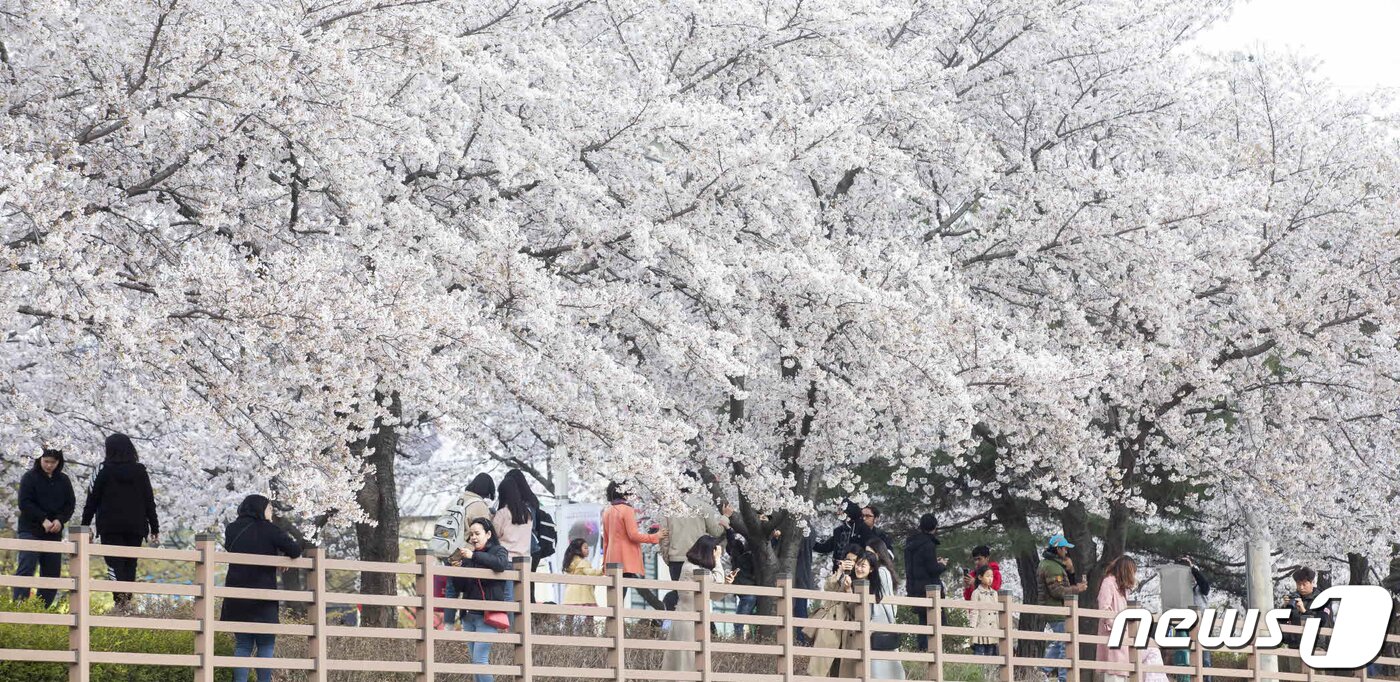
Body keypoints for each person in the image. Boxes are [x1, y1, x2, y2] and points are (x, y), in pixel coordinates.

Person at [220, 495, 302, 682]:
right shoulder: (269, 529)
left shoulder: (232, 529)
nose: (271, 512)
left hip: (237, 594)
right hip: (263, 596)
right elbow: (295, 550)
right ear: (260, 508)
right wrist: (281, 557)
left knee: (242, 644)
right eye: (269, 508)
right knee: (266, 644)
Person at [80, 433, 159, 609]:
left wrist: (85, 526)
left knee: (114, 564)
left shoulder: (103, 470)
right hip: (136, 526)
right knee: (130, 564)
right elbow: (149, 500)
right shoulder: (140, 471)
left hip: (110, 526)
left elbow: (91, 500)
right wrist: (155, 527)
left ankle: (120, 602)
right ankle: (127, 602)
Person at [448, 517, 511, 682]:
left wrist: (474, 556)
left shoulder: (498, 550)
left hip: (487, 616)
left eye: (477, 533)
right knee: (474, 663)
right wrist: (457, 570)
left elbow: (500, 564)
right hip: (468, 616)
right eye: (471, 534)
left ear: (488, 534)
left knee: (480, 661)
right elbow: (461, 587)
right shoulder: (468, 557)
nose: (473, 537)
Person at [662, 535, 736, 671]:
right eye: (715, 552)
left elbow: (714, 594)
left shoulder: (696, 568)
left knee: (693, 663)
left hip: (694, 621)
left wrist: (726, 584)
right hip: (688, 622)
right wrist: (718, 560)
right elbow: (717, 580)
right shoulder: (692, 569)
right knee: (687, 663)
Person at [13, 448, 75, 607]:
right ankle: (19, 606)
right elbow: (24, 503)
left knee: (52, 573)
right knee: (27, 567)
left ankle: (42, 609)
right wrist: (43, 519)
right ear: (39, 459)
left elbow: (70, 504)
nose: (49, 465)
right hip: (30, 529)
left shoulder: (63, 480)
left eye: (53, 462)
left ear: (59, 462)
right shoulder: (30, 477)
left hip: (54, 532)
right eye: (46, 461)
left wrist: (60, 520)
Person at [432, 472, 495, 628]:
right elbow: (484, 530)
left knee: (451, 588)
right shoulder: (479, 505)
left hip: (448, 548)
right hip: (465, 551)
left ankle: (448, 625)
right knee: (470, 587)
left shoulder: (456, 500)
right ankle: (470, 623)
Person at [835, 551, 904, 679]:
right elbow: (854, 611)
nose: (859, 568)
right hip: (862, 636)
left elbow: (862, 613)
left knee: (878, 670)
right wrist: (848, 589)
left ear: (871, 569)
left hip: (875, 636)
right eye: (857, 565)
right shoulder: (852, 583)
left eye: (863, 566)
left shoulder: (877, 586)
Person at [600, 481, 669, 611]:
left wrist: (604, 563)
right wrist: (655, 536)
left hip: (611, 558)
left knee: (618, 593)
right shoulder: (627, 510)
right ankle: (659, 606)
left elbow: (606, 541)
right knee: (623, 591)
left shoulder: (607, 512)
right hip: (626, 557)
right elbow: (633, 535)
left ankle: (658, 606)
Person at [808, 544, 865, 678]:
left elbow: (856, 608)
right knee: (820, 670)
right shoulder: (840, 576)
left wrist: (849, 589)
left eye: (854, 561)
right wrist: (840, 571)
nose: (851, 564)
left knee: (842, 670)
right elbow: (828, 588)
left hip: (848, 629)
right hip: (830, 625)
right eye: (848, 560)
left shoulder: (862, 579)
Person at [1037, 533, 1087, 682]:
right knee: (1065, 643)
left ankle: (1044, 671)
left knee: (1061, 642)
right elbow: (1057, 591)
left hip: (1055, 609)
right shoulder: (1052, 567)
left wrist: (1071, 571)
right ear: (1058, 549)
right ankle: (1062, 677)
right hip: (1056, 609)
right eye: (1064, 548)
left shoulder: (1050, 564)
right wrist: (1077, 589)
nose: (1066, 551)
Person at [658, 476, 727, 581]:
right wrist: (725, 517)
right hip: (699, 558)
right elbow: (716, 532)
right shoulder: (703, 506)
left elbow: (664, 537)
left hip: (676, 559)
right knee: (701, 590)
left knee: (679, 591)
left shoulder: (668, 508)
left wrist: (668, 557)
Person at [904, 513, 947, 651]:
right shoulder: (929, 544)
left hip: (915, 587)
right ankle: (932, 650)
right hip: (930, 589)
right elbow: (932, 569)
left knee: (923, 621)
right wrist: (942, 565)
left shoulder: (910, 544)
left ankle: (923, 650)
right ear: (934, 527)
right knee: (936, 621)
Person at [1280, 567, 1334, 674]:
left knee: (1317, 677)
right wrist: (1284, 608)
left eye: (1304, 584)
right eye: (1298, 584)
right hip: (1295, 645)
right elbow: (1282, 623)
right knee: (1296, 677)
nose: (1301, 587)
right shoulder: (1293, 598)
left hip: (1316, 645)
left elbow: (1323, 619)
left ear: (1312, 582)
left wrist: (1304, 611)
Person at [492, 477, 534, 607]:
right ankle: (521, 621)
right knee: (521, 599)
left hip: (507, 559)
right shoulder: (527, 514)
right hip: (524, 560)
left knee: (507, 597)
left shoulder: (502, 513)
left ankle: (508, 621)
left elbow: (494, 535)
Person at [1097, 556, 1139, 682]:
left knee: (1121, 672)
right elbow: (1104, 608)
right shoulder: (1108, 583)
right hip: (1113, 634)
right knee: (1114, 673)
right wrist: (1116, 626)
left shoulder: (1122, 589)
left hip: (1122, 636)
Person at [967, 565, 1001, 681]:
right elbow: (974, 611)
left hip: (992, 630)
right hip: (981, 628)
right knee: (979, 655)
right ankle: (978, 677)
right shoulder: (976, 593)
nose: (990, 579)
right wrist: (972, 628)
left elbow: (997, 612)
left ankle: (989, 678)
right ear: (980, 577)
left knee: (991, 656)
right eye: (987, 576)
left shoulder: (994, 593)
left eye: (992, 576)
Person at [562, 538, 605, 630]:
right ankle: (589, 631)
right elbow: (590, 572)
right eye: (585, 548)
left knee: (570, 616)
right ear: (578, 550)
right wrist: (602, 571)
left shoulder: (570, 562)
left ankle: (566, 632)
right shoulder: (583, 563)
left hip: (571, 593)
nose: (588, 550)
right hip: (583, 593)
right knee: (589, 614)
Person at [725, 526, 759, 639]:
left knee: (738, 624)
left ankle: (738, 642)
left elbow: (732, 543)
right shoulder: (749, 557)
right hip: (750, 594)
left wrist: (728, 529)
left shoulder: (741, 559)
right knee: (748, 622)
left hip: (748, 595)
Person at [813, 501, 863, 571]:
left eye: (841, 510)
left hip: (857, 568)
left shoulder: (862, 528)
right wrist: (809, 540)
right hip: (838, 569)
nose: (838, 513)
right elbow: (825, 547)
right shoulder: (839, 531)